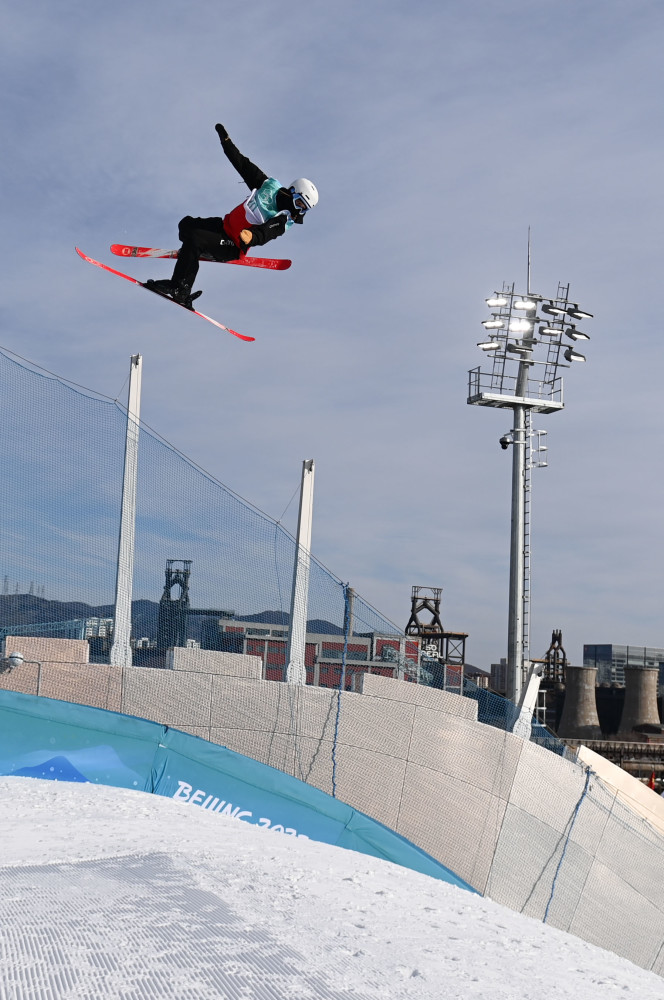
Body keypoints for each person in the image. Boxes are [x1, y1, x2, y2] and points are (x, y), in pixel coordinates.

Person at [147, 123, 318, 309]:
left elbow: (268, 233)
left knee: (195, 239)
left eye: (305, 209)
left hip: (233, 245)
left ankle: (180, 288)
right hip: (223, 226)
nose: (300, 210)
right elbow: (243, 165)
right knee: (186, 225)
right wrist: (227, 143)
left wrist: (252, 236)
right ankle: (191, 254)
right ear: (293, 191)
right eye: (300, 203)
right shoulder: (269, 186)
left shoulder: (284, 218)